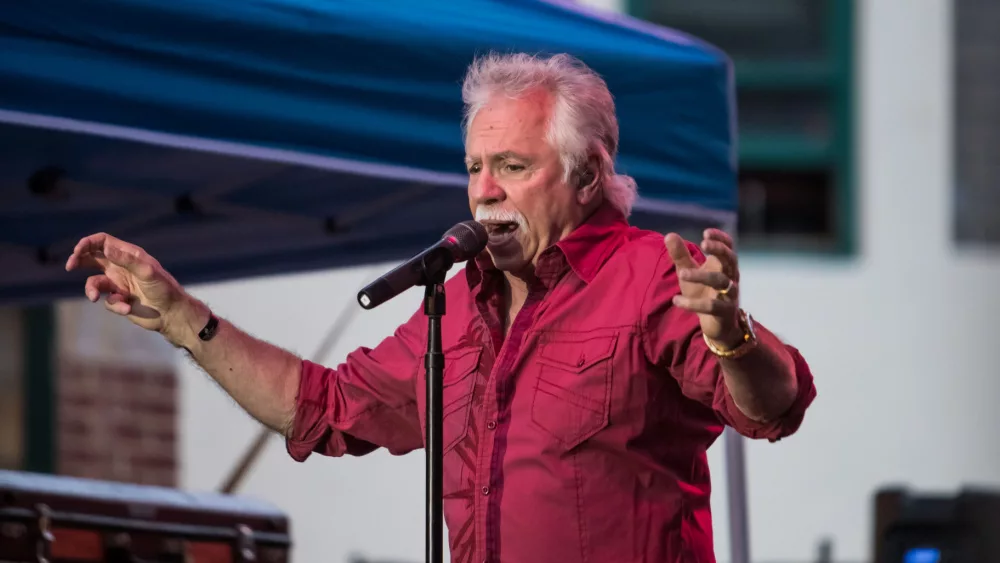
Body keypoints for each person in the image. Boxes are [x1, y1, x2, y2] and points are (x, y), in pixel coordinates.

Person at [65, 52, 816, 563]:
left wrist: (734, 336)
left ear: (588, 175)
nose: (484, 189)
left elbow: (775, 405)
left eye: (513, 167)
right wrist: (181, 320)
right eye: (476, 167)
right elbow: (321, 407)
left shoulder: (650, 275)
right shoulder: (454, 304)